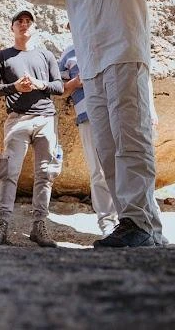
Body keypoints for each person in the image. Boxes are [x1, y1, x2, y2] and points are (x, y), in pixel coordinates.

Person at [10, 0, 175, 247]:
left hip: (124, 62)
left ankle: (141, 226)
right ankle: (137, 226)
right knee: (107, 153)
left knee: (131, 144)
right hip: (91, 74)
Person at [0, 10, 64, 247]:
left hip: (45, 119)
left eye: (28, 22)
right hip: (17, 119)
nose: (24, 25)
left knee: (46, 174)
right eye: (19, 21)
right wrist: (15, 86)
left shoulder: (46, 55)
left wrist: (40, 84)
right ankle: (2, 224)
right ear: (12, 27)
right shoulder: (3, 56)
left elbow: (59, 87)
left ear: (34, 28)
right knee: (8, 171)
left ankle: (39, 225)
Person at [58, 40, 118, 237]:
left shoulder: (108, 41)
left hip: (117, 112)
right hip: (87, 116)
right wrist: (76, 82)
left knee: (127, 166)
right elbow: (60, 90)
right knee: (98, 171)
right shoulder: (68, 54)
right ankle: (107, 223)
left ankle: (133, 220)